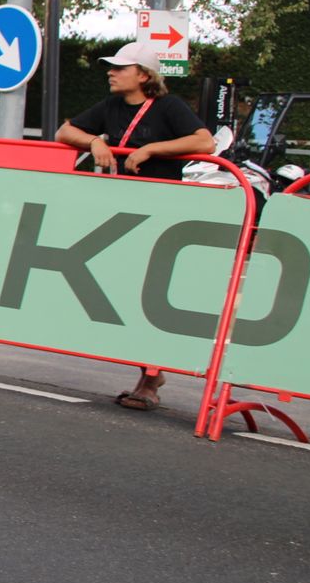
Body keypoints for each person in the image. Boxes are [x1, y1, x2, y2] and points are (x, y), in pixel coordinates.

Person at [56, 39, 216, 410]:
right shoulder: (111, 106)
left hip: (164, 218)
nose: (110, 72)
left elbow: (204, 141)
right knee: (125, 294)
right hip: (124, 215)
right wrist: (95, 140)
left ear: (144, 75)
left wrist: (152, 149)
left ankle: (149, 379)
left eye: (120, 67)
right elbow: (65, 133)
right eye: (111, 67)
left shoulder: (169, 107)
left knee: (151, 297)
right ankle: (150, 370)